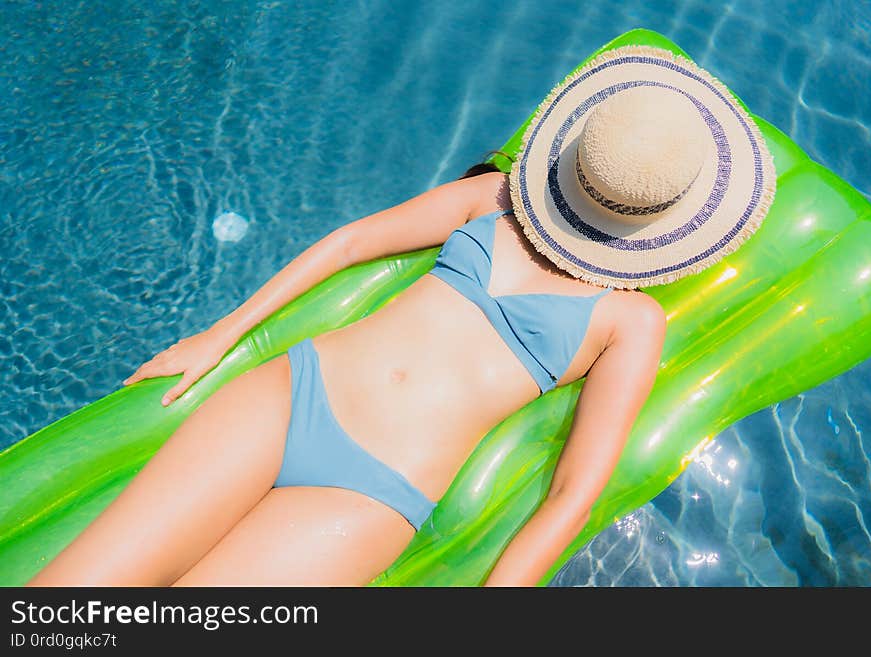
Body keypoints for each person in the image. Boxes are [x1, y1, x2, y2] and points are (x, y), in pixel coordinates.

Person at [27, 45, 775, 587]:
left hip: (370, 492)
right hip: (292, 394)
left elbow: (574, 490)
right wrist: (218, 336)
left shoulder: (631, 322)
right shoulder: (496, 199)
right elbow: (354, 241)